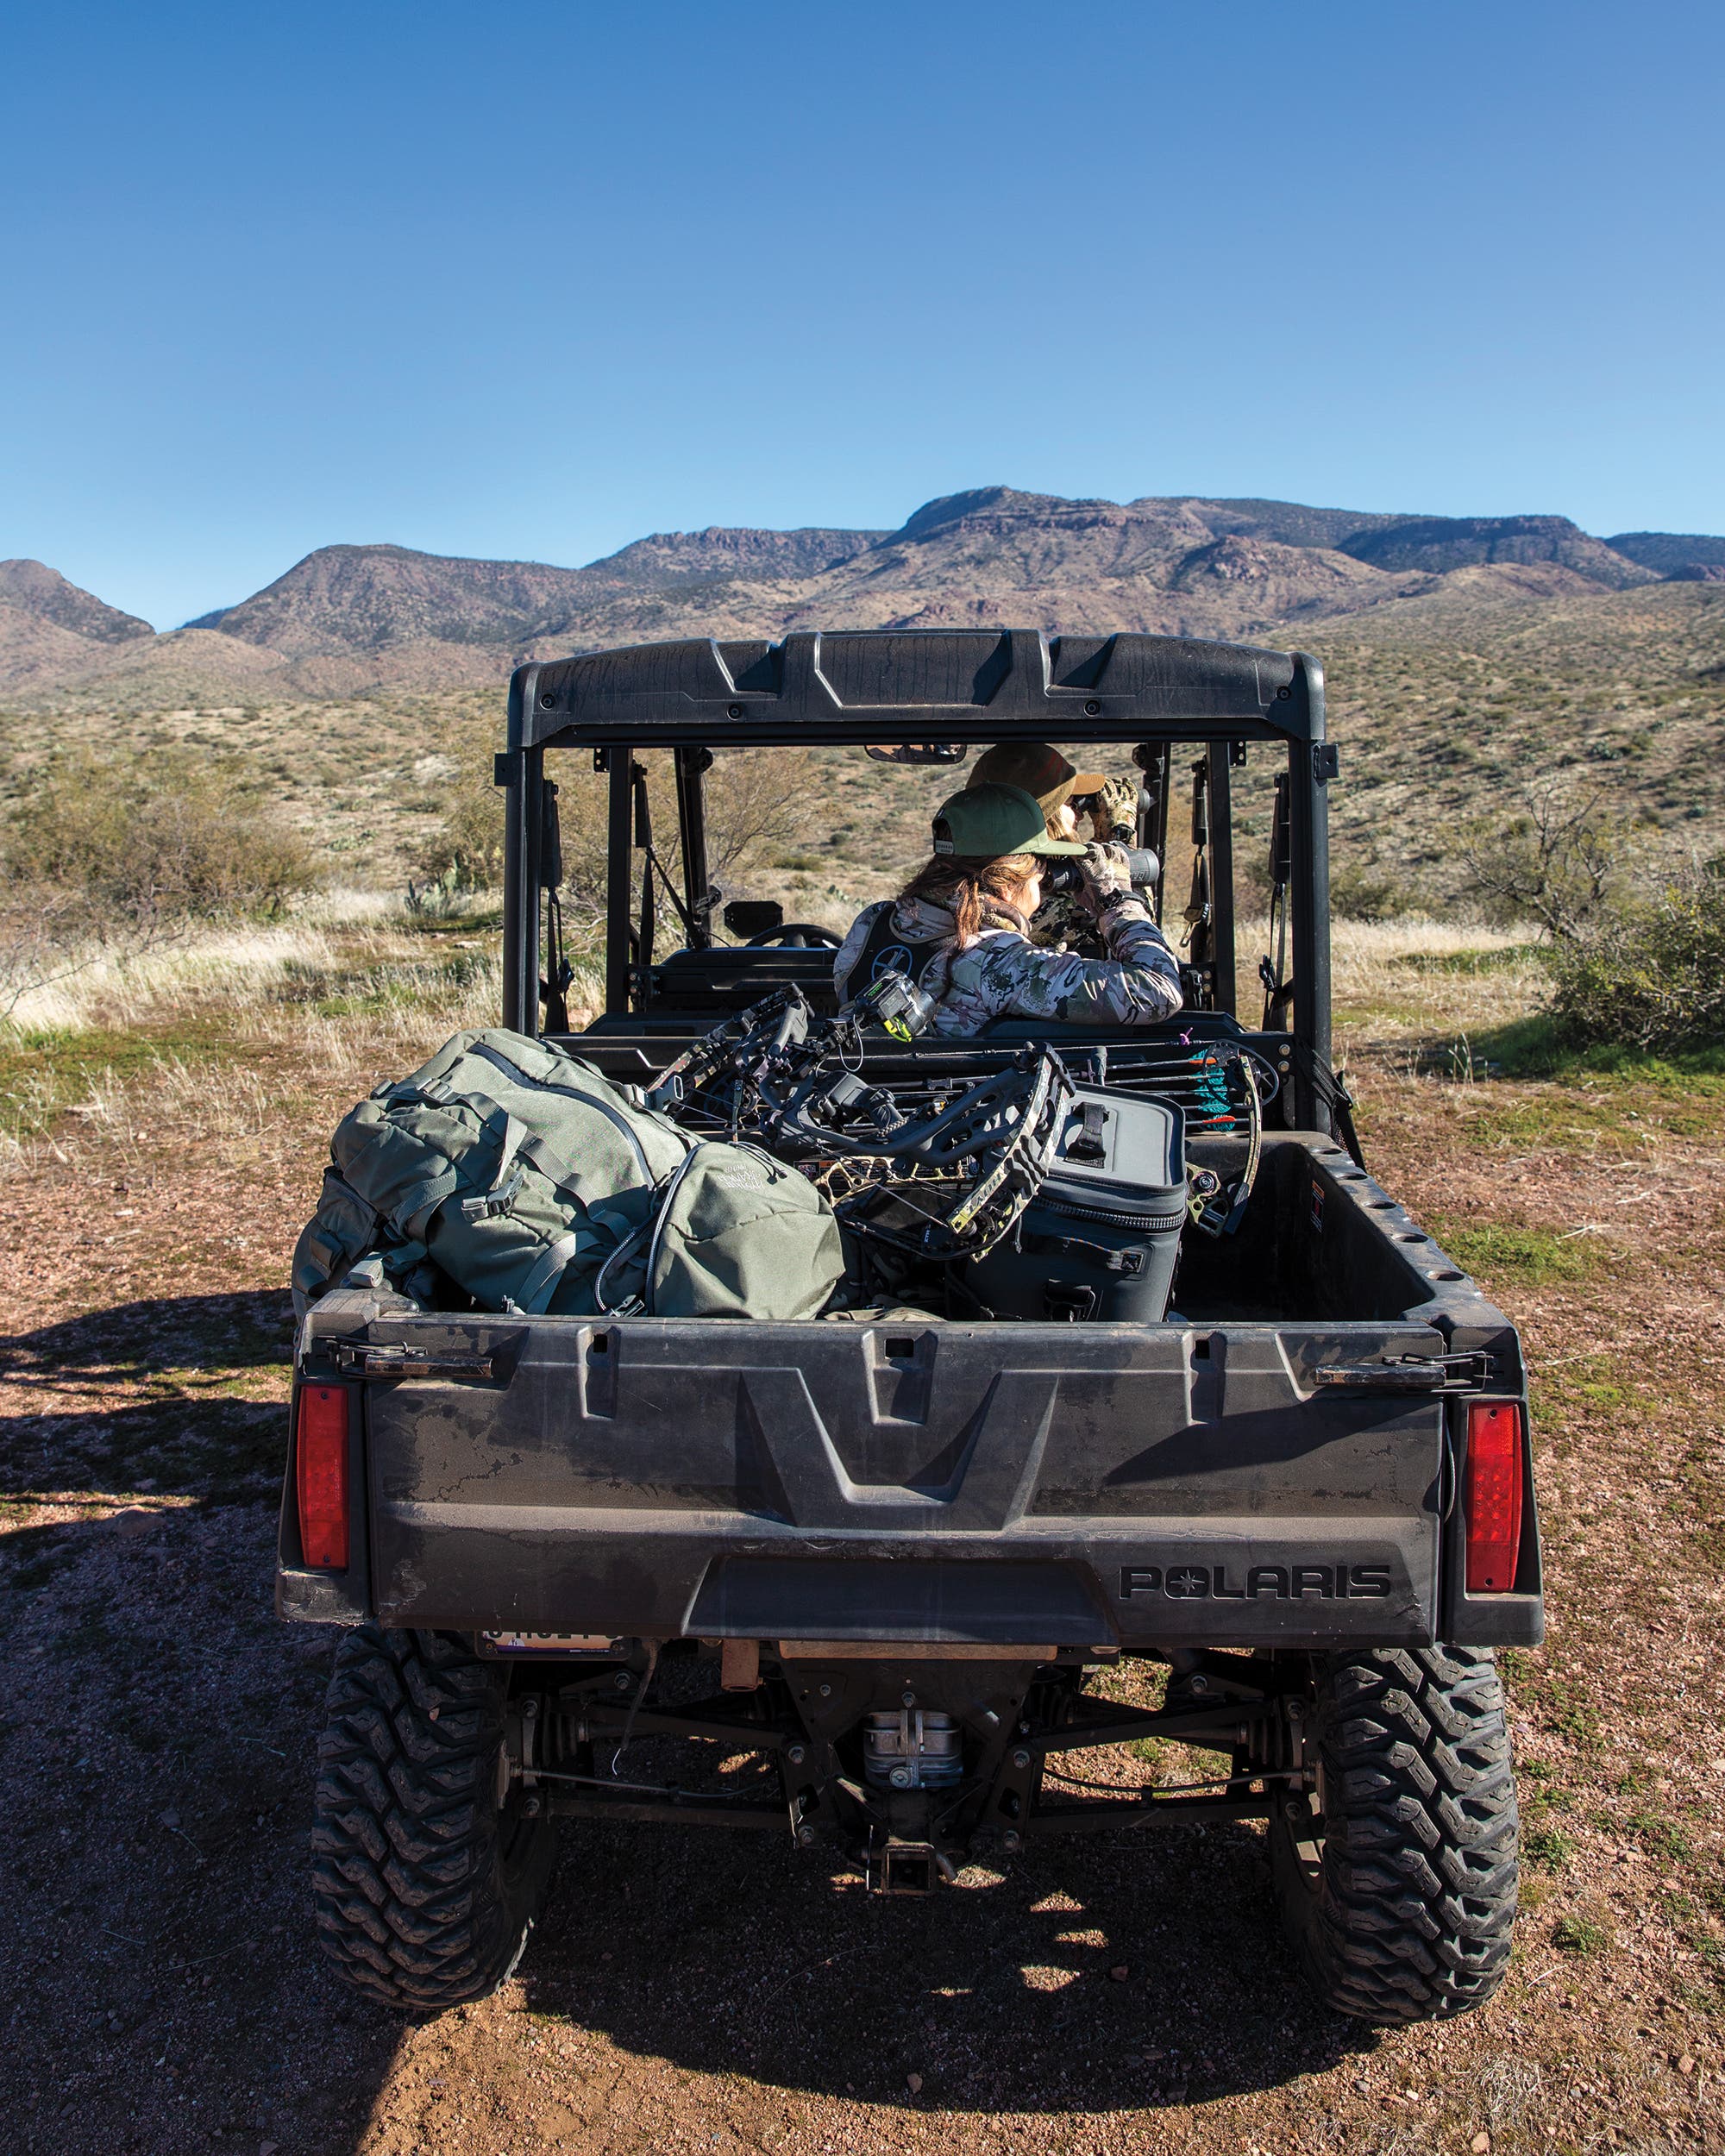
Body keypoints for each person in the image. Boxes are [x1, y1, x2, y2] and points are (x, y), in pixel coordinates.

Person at [833, 781, 1182, 1035]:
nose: (1043, 886)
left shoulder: (873, 921)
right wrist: (1115, 900)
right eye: (1042, 870)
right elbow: (1160, 990)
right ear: (1008, 880)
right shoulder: (997, 962)